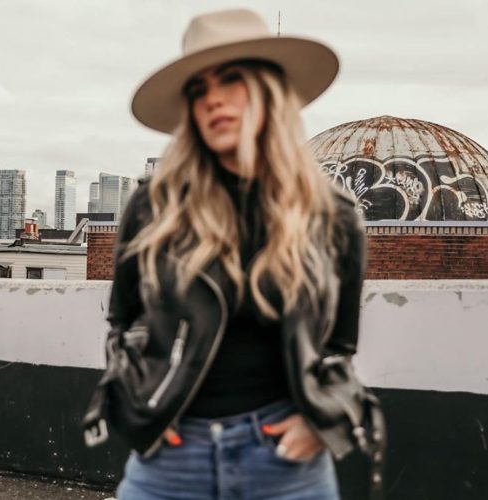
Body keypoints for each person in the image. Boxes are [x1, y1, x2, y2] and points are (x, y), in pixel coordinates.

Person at [83, 8, 383, 500]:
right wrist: (141, 408)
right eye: (198, 90)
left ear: (269, 91)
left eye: (231, 80)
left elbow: (338, 346)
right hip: (171, 458)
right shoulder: (154, 206)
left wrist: (319, 422)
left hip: (287, 463)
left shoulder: (332, 215)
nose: (213, 100)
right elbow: (124, 322)